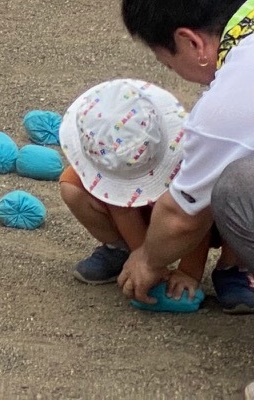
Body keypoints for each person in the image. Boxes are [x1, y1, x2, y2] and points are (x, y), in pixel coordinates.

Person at [114, 0, 254, 312]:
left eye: (170, 62)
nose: (177, 73)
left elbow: (181, 218)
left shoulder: (228, 98)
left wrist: (148, 261)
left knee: (236, 187)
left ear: (191, 42)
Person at [53, 76, 224, 302]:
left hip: (204, 220)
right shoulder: (110, 162)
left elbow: (197, 211)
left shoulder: (192, 155)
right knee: (73, 186)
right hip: (153, 214)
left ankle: (233, 268)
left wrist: (189, 271)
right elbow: (121, 206)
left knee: (233, 189)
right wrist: (145, 258)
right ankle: (122, 251)